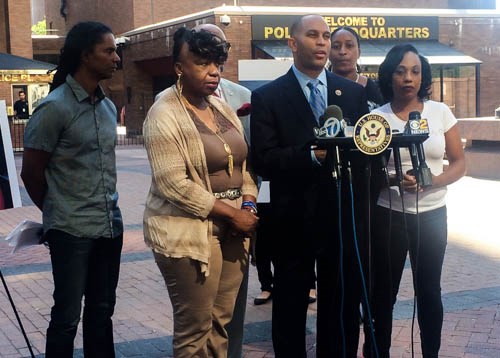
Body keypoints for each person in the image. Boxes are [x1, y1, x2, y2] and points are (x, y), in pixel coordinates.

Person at [251, 14, 369, 357]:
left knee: (339, 305)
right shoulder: (268, 97)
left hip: (339, 221)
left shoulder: (350, 94)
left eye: (326, 36)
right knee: (289, 309)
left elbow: (361, 156)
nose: (322, 43)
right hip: (291, 222)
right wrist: (312, 156)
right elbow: (264, 159)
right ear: (293, 43)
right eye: (313, 35)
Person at [142, 26, 258, 357]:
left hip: (235, 228)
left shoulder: (220, 107)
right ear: (179, 67)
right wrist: (233, 213)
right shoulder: (163, 112)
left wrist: (247, 205)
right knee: (195, 330)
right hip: (190, 234)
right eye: (202, 63)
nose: (213, 73)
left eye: (217, 64)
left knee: (221, 323)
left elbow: (242, 165)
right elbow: (173, 184)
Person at [21, 21, 123, 357]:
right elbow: (32, 173)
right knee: (67, 317)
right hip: (71, 231)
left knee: (102, 312)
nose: (116, 57)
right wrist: (57, 212)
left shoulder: (107, 107)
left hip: (110, 226)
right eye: (108, 50)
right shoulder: (55, 107)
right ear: (85, 55)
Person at [368, 44, 465, 357]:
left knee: (429, 292)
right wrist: (396, 181)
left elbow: (459, 163)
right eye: (400, 70)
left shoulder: (441, 113)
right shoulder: (375, 118)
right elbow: (367, 174)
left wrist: (430, 181)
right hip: (389, 216)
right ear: (389, 75)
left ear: (423, 76)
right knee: (383, 294)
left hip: (433, 216)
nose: (407, 77)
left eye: (414, 71)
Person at [190, 22, 253, 358]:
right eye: (205, 45)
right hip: (195, 220)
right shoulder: (167, 101)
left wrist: (249, 206)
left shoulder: (242, 98)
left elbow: (249, 161)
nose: (215, 52)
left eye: (221, 45)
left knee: (233, 308)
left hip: (238, 222)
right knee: (198, 313)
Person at [329, 26, 384, 111]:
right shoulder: (319, 89)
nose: (342, 52)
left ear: (359, 52)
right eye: (336, 46)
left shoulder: (373, 90)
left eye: (349, 45)